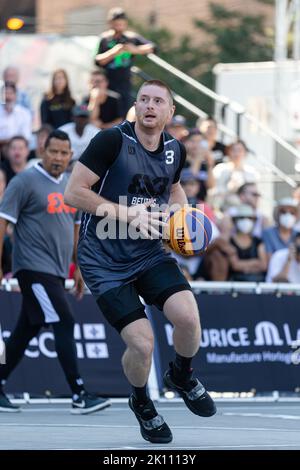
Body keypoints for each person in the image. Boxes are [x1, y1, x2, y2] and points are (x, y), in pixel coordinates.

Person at [64, 80, 216, 444]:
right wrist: (124, 214)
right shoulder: (111, 140)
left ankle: (181, 375)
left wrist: (181, 216)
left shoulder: (174, 149)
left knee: (189, 318)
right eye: (144, 99)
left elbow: (175, 186)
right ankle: (143, 402)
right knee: (143, 343)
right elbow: (73, 193)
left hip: (148, 252)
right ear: (136, 106)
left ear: (170, 111)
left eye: (158, 101)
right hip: (102, 259)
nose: (150, 106)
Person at [0, 130, 110, 414]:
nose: (59, 158)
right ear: (43, 149)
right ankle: (79, 393)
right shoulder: (24, 181)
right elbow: (3, 223)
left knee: (27, 329)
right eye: (54, 151)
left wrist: (80, 267)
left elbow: (75, 228)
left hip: (58, 271)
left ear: (71, 155)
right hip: (32, 269)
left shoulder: (70, 185)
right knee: (64, 321)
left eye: (64, 153)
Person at [95, 7, 154, 116]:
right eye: (116, 24)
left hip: (125, 82)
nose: (119, 27)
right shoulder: (105, 38)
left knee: (125, 112)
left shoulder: (131, 37)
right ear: (111, 23)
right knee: (109, 112)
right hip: (108, 82)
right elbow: (98, 61)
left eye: (121, 23)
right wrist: (114, 51)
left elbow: (152, 47)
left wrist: (134, 50)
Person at [0, 83, 32, 151]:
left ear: (15, 96)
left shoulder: (24, 113)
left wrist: (9, 142)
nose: (8, 97)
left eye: (10, 93)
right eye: (5, 93)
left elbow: (26, 137)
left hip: (18, 148)